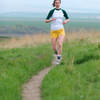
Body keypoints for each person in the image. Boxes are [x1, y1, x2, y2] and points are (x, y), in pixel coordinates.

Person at [45, 0, 70, 64]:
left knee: (60, 44)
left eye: (58, 3)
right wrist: (51, 20)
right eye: (56, 3)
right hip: (53, 31)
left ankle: (58, 59)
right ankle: (57, 54)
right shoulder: (52, 11)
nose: (57, 4)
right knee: (54, 47)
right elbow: (46, 20)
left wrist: (65, 21)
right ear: (54, 3)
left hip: (61, 30)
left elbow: (68, 18)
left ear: (60, 3)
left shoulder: (63, 11)